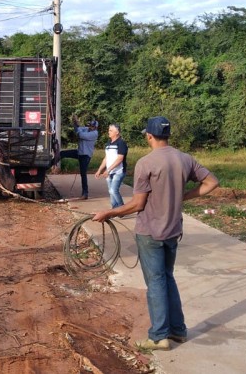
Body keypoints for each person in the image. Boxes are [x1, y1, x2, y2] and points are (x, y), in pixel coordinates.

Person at [92, 116, 219, 351]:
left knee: (157, 283)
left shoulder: (146, 163)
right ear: (168, 135)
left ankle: (159, 335)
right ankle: (178, 331)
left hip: (150, 232)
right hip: (172, 231)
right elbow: (212, 182)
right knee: (167, 278)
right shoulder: (185, 159)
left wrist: (109, 213)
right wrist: (184, 196)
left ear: (149, 136)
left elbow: (138, 204)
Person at [60, 115, 98, 200]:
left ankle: (85, 193)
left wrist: (77, 127)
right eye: (90, 125)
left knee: (83, 174)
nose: (90, 127)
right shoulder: (86, 129)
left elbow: (80, 134)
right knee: (62, 153)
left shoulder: (94, 134)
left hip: (86, 155)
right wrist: (75, 123)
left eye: (92, 126)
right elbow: (78, 129)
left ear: (95, 127)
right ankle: (50, 164)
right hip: (80, 152)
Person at [94, 124, 128, 208]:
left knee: (113, 190)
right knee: (111, 191)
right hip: (110, 172)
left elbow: (120, 159)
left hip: (118, 172)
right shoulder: (108, 144)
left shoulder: (121, 143)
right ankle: (114, 209)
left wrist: (108, 170)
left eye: (111, 130)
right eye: (109, 130)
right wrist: (99, 170)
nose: (108, 132)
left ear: (117, 132)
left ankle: (122, 209)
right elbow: (106, 159)